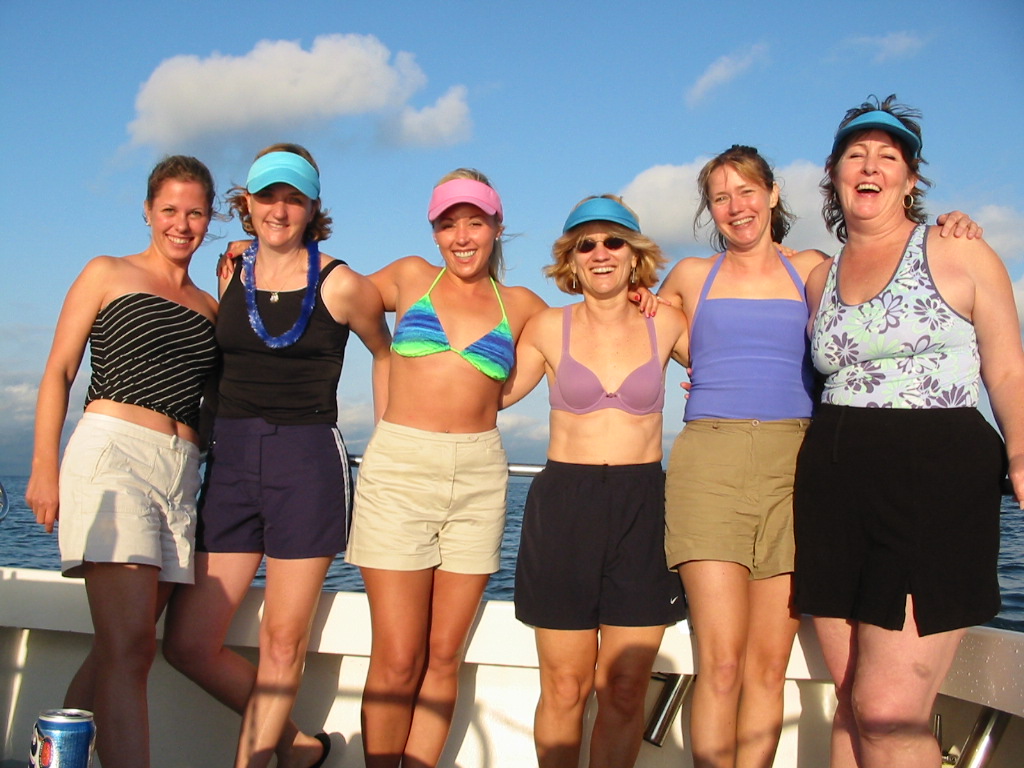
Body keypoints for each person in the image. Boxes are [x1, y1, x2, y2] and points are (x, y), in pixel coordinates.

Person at [657, 145, 983, 768]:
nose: (737, 207)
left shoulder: (812, 269)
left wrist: (952, 226)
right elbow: (640, 326)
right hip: (709, 465)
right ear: (710, 211)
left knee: (767, 665)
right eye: (721, 197)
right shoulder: (690, 277)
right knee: (720, 662)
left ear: (773, 195)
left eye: (747, 192)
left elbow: (879, 276)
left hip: (796, 464)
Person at [794, 95, 1024, 768]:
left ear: (911, 178)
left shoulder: (959, 250)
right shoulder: (817, 276)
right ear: (834, 174)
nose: (870, 168)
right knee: (849, 698)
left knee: (889, 713)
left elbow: (1006, 368)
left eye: (887, 157)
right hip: (834, 484)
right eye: (855, 156)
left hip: (935, 482)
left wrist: (1021, 449)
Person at [161, 143, 391, 768]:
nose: (279, 210)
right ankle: (294, 745)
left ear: (314, 207)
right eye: (268, 196)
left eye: (294, 198)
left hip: (307, 461)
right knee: (186, 642)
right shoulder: (230, 267)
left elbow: (388, 355)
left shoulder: (344, 284)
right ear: (247, 203)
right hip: (231, 461)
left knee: (282, 641)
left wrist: (387, 441)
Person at [345, 169, 547, 768]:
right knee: (397, 656)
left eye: (474, 222)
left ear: (496, 227)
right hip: (399, 468)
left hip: (481, 476)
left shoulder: (523, 305)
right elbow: (335, 293)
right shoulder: (409, 275)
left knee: (442, 656)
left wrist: (646, 296)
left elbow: (590, 324)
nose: (461, 236)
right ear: (433, 230)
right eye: (448, 223)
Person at [25, 156, 220, 768]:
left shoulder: (213, 307)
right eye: (169, 210)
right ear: (147, 211)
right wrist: (43, 467)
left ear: (209, 219)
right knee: (131, 646)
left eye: (194, 212)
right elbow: (58, 370)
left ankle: (51, 759)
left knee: (120, 649)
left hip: (181, 471)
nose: (181, 224)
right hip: (113, 455)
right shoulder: (107, 271)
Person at [503, 195, 689, 768]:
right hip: (565, 507)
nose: (600, 253)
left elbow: (733, 371)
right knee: (564, 686)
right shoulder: (544, 326)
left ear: (635, 255)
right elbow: (490, 397)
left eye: (613, 241)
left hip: (643, 506)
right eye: (586, 243)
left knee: (626, 687)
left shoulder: (671, 321)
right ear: (571, 259)